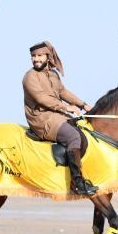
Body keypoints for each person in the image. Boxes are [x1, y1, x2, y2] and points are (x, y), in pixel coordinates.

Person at [21, 42, 96, 195]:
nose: (36, 59)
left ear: (48, 57)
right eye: (33, 56)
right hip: (42, 119)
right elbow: (41, 99)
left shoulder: (53, 74)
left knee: (82, 130)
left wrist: (83, 105)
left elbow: (63, 92)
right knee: (73, 136)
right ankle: (77, 183)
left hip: (56, 115)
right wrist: (66, 108)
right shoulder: (30, 77)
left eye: (39, 56)